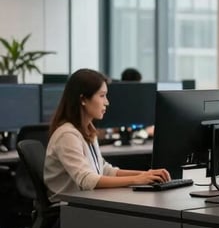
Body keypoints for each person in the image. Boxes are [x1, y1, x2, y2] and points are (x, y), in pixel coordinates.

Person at [44, 69, 171, 200]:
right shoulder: (67, 135)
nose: (107, 102)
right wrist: (137, 179)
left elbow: (104, 170)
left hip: (85, 202)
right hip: (67, 209)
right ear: (83, 99)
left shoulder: (87, 130)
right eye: (102, 95)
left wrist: (146, 175)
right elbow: (88, 180)